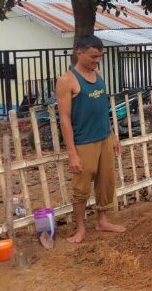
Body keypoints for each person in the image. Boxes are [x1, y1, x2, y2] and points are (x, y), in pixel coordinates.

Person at [55, 35, 126, 243]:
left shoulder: (99, 75)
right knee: (81, 188)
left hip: (104, 138)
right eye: (94, 56)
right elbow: (65, 120)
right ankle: (80, 229)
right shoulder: (67, 80)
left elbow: (104, 109)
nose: (97, 61)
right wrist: (72, 154)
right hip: (84, 142)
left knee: (106, 183)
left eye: (100, 57)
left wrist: (112, 136)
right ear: (80, 53)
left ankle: (102, 221)